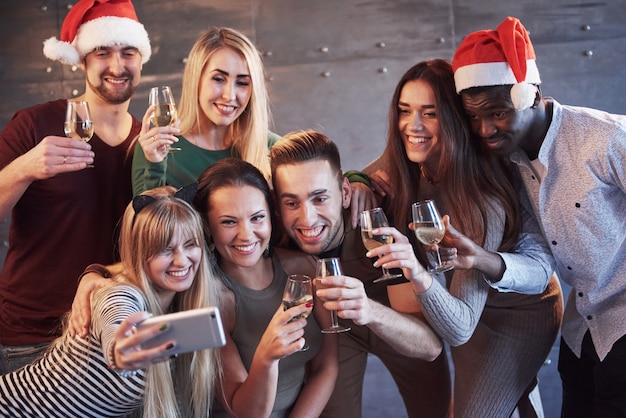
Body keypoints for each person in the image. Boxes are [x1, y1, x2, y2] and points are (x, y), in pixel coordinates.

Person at [366, 58, 562, 417]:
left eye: (430, 113)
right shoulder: (409, 156)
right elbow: (357, 176)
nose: (413, 125)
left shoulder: (477, 198)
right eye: (404, 110)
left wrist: (416, 271)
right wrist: (357, 183)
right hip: (465, 300)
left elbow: (458, 329)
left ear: (453, 120)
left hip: (514, 313)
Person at [451, 16, 626, 418]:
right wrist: (482, 260)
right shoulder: (507, 167)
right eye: (473, 118)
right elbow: (538, 263)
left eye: (496, 113)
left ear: (531, 94)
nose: (485, 129)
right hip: (582, 332)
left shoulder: (605, 138)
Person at [0, 0, 150, 373]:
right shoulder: (34, 124)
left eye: (128, 52)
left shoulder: (147, 144)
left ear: (142, 59)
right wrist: (24, 169)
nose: (117, 66)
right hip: (31, 337)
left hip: (110, 334)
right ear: (83, 60)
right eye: (103, 52)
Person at [269, 130, 450, 418]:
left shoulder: (379, 226)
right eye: (291, 203)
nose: (307, 219)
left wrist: (369, 310)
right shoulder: (268, 234)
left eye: (319, 199)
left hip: (394, 320)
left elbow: (429, 347)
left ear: (344, 193)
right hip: (335, 339)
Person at [0, 185, 221, 418]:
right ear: (139, 254)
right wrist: (121, 354)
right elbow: (116, 327)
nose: (182, 260)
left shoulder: (183, 306)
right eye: (165, 249)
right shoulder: (120, 294)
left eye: (190, 245)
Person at [193, 158, 338, 418]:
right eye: (228, 222)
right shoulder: (206, 300)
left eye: (257, 218)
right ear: (207, 225)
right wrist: (266, 356)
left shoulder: (305, 268)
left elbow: (326, 366)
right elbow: (244, 412)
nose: (246, 235)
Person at [131, 26, 279, 195]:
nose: (229, 95)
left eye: (242, 83)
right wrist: (154, 165)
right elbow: (144, 220)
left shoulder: (274, 149)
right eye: (218, 79)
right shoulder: (155, 148)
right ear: (196, 79)